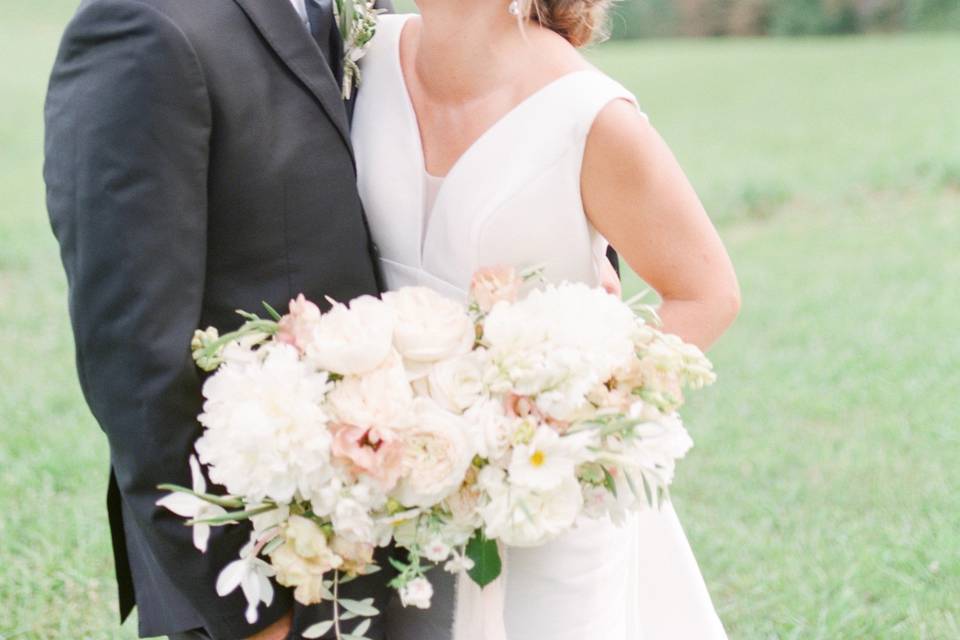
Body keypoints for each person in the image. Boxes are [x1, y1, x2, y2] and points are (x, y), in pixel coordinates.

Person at [350, 1, 742, 638]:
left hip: (541, 503)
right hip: (397, 492)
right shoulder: (364, 56)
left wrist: (565, 424)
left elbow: (707, 295)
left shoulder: (590, 118)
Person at [43, 0, 401, 638]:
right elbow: (133, 361)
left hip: (388, 515)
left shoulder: (362, 9)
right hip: (255, 554)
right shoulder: (140, 27)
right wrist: (249, 610)